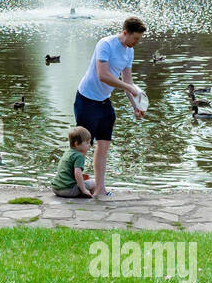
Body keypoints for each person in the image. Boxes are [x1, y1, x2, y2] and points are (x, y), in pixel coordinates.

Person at [74, 16, 147, 199]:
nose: (136, 42)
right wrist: (128, 87)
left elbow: (127, 81)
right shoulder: (105, 44)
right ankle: (72, 185)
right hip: (86, 100)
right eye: (135, 38)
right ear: (125, 33)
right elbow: (103, 75)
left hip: (104, 101)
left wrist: (135, 106)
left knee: (104, 145)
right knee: (83, 146)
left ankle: (99, 188)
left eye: (139, 39)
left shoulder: (129, 51)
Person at [51, 126, 96, 198]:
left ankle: (82, 193)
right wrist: (84, 189)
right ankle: (88, 196)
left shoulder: (68, 152)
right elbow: (77, 173)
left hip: (56, 188)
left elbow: (68, 171)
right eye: (87, 142)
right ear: (77, 143)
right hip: (67, 190)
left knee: (85, 179)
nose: (90, 145)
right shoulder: (79, 156)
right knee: (94, 182)